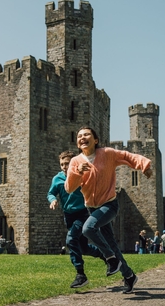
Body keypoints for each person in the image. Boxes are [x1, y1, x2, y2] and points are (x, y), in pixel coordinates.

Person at [65, 126, 153, 294]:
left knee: (88, 228)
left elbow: (128, 156)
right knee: (112, 244)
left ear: (95, 140)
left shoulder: (107, 154)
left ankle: (111, 259)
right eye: (79, 136)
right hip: (92, 208)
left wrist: (144, 165)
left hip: (109, 205)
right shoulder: (75, 162)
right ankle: (129, 276)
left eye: (86, 135)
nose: (82, 137)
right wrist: (77, 172)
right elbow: (69, 188)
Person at [48, 150, 105, 288]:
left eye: (67, 163)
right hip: (69, 216)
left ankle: (81, 275)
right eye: (62, 164)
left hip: (83, 213)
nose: (64, 166)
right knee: (83, 248)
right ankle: (107, 256)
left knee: (71, 239)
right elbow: (51, 192)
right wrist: (53, 200)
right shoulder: (57, 179)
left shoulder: (83, 175)